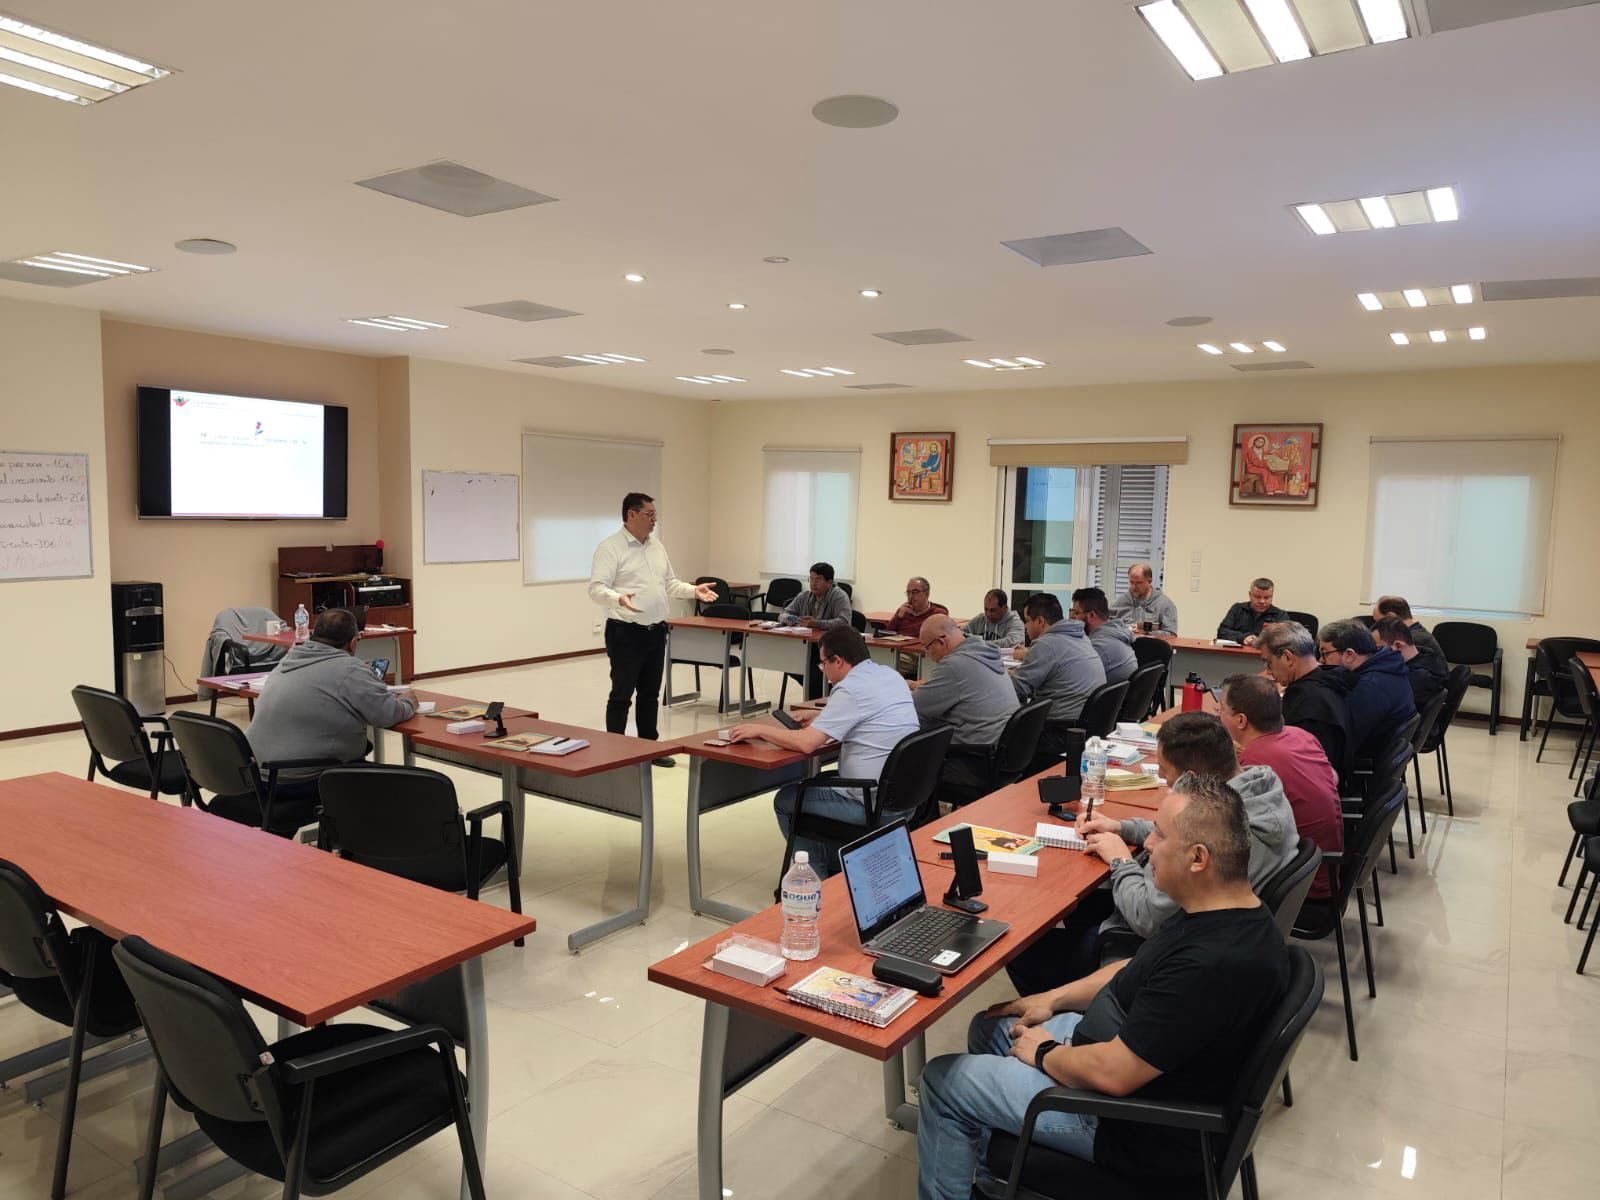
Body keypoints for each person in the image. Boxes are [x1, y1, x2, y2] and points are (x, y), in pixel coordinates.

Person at [917, 775, 1290, 1200]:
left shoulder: (1213, 964)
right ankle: (995, 1178)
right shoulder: (1223, 911)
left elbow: (1115, 1073)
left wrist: (1045, 1053)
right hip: (1118, 1057)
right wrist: (1051, 998)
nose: (1147, 844)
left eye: (1160, 835)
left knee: (942, 1081)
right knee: (989, 1027)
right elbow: (1135, 968)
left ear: (1197, 858)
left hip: (1123, 1123)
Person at [1007, 711, 1296, 992]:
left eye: (1164, 771)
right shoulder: (1256, 793)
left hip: (1144, 948)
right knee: (1081, 901)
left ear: (1191, 778)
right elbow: (1190, 827)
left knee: (1020, 948)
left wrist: (1121, 860)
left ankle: (1058, 1011)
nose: (1161, 777)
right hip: (1190, 929)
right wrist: (1121, 827)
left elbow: (1147, 917)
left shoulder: (1230, 838)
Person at [727, 626, 918, 875]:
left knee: (786, 800)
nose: (823, 670)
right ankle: (837, 871)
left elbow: (807, 743)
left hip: (870, 802)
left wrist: (760, 730)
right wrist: (823, 717)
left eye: (823, 663)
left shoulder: (850, 688)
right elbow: (867, 714)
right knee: (816, 781)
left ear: (837, 661)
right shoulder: (888, 675)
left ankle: (815, 879)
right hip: (905, 799)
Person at [588, 492, 718, 765]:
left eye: (655, 515)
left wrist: (694, 590)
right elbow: (596, 589)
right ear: (631, 514)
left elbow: (670, 583)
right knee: (622, 694)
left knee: (650, 694)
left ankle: (649, 749)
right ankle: (615, 751)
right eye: (649, 514)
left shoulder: (657, 546)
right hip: (625, 632)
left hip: (655, 631)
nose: (654, 520)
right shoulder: (610, 548)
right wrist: (617, 598)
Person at [246, 608, 415, 796]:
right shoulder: (350, 669)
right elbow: (387, 715)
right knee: (405, 785)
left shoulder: (289, 659)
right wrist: (408, 702)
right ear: (353, 643)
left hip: (256, 776)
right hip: (300, 778)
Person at [1217, 674, 1342, 900]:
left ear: (1241, 720)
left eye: (1222, 709)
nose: (1218, 715)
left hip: (1297, 889)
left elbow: (1224, 822)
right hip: (1320, 871)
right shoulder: (1300, 735)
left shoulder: (1256, 763)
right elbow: (1333, 777)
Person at [913, 615, 1020, 807]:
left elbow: (914, 707)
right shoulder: (983, 652)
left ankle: (924, 822)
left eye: (927, 647)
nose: (927, 654)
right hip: (1002, 757)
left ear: (941, 642)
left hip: (973, 763)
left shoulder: (953, 665)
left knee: (906, 765)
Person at [1009, 593, 1107, 775]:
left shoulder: (1046, 644)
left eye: (1027, 621)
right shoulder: (1080, 636)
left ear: (1040, 621)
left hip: (1058, 730)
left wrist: (1003, 677)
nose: (1025, 626)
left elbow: (1016, 689)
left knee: (1005, 738)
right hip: (1085, 725)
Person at [1258, 621, 1351, 785]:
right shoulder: (1328, 680)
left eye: (1269, 663)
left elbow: (1299, 767)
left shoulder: (1309, 704)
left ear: (1287, 657)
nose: (1268, 671)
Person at [1318, 619, 1416, 765]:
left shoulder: (1371, 686)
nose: (1320, 660)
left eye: (1325, 653)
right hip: (1378, 751)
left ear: (1349, 655)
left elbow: (1342, 739)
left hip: (1365, 759)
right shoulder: (1388, 667)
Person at [1373, 617, 1448, 716]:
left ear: (1398, 646)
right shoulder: (1427, 658)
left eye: (1378, 649)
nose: (1374, 655)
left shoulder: (1415, 679)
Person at [1070, 587, 1137, 684]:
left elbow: (1073, 677)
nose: (1072, 618)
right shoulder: (1114, 631)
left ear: (1091, 615)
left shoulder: (1098, 646)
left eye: (1076, 613)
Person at [1372, 595, 1447, 669]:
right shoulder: (1417, 633)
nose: (1377, 627)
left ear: (1391, 616)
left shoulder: (1412, 640)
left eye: (1378, 622)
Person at [1216, 577, 1288, 646]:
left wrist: (1260, 640)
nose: (1262, 601)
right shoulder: (1238, 609)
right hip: (1236, 653)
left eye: (1267, 598)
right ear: (1250, 595)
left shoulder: (1280, 615)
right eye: (1257, 597)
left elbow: (1286, 639)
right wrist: (1243, 637)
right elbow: (1222, 631)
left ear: (1272, 596)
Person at [780, 561, 852, 629]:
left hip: (830, 637)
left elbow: (844, 622)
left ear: (829, 582)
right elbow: (783, 614)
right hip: (805, 637)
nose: (813, 583)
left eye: (818, 580)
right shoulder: (803, 596)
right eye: (811, 579)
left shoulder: (840, 597)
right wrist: (789, 619)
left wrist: (816, 624)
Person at [1111, 562, 1178, 635]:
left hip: (1150, 642)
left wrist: (1147, 633)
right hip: (1124, 641)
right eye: (1131, 582)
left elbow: (1171, 634)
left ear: (1149, 581)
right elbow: (1107, 626)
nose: (1134, 586)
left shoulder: (1165, 604)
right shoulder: (1120, 601)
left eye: (1138, 583)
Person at [885, 576, 949, 641]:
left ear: (927, 594)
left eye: (915, 592)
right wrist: (898, 617)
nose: (910, 596)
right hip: (899, 646)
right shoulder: (904, 611)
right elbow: (887, 634)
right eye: (908, 593)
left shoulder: (937, 614)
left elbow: (935, 639)